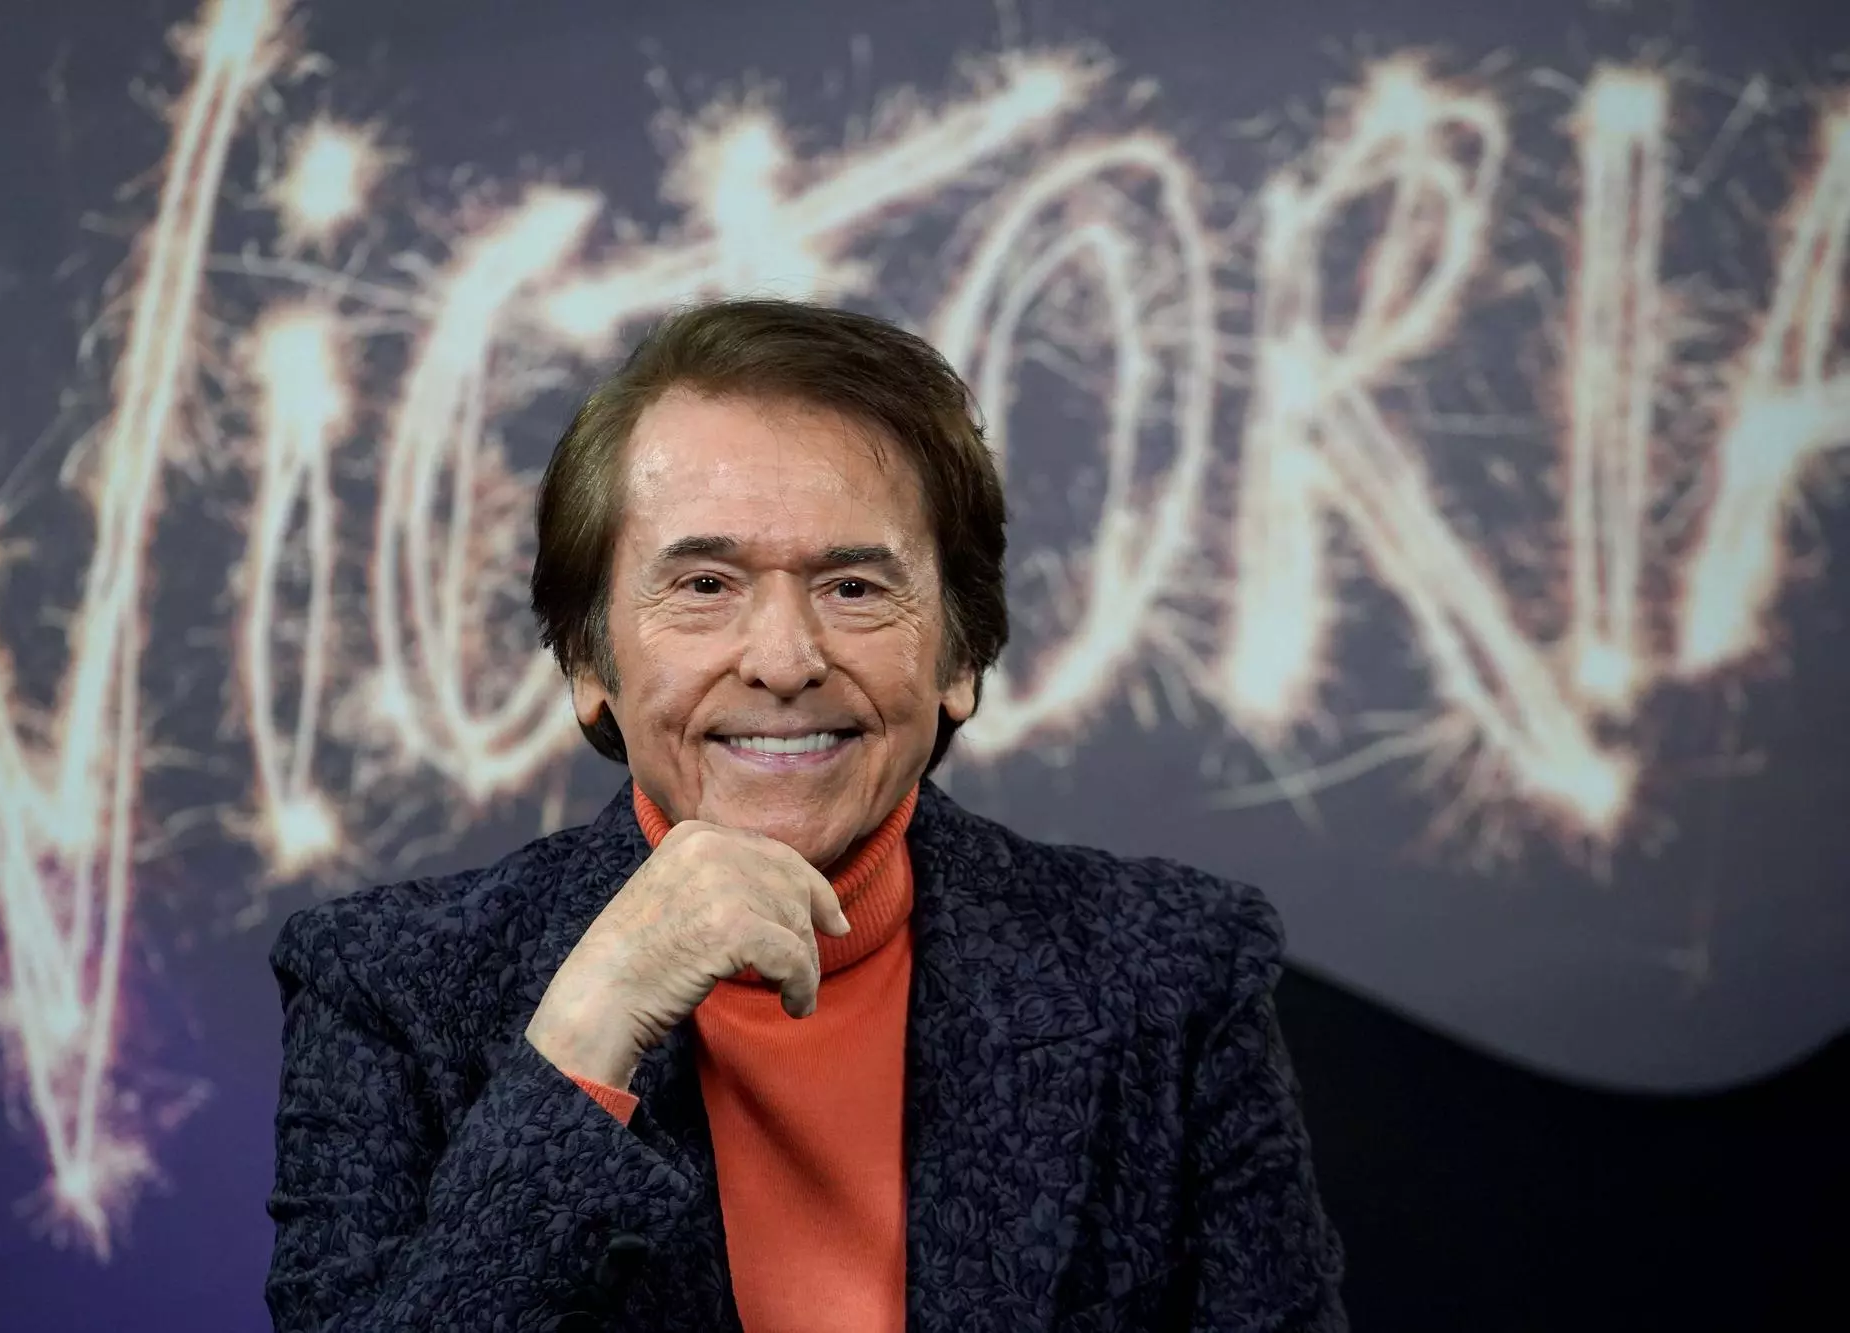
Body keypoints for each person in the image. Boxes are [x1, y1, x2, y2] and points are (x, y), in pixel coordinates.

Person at [265, 299, 1347, 1332]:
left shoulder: (1175, 974)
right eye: (704, 585)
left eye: (853, 588)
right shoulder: (387, 985)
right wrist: (584, 1043)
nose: (784, 660)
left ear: (959, 657)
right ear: (589, 660)